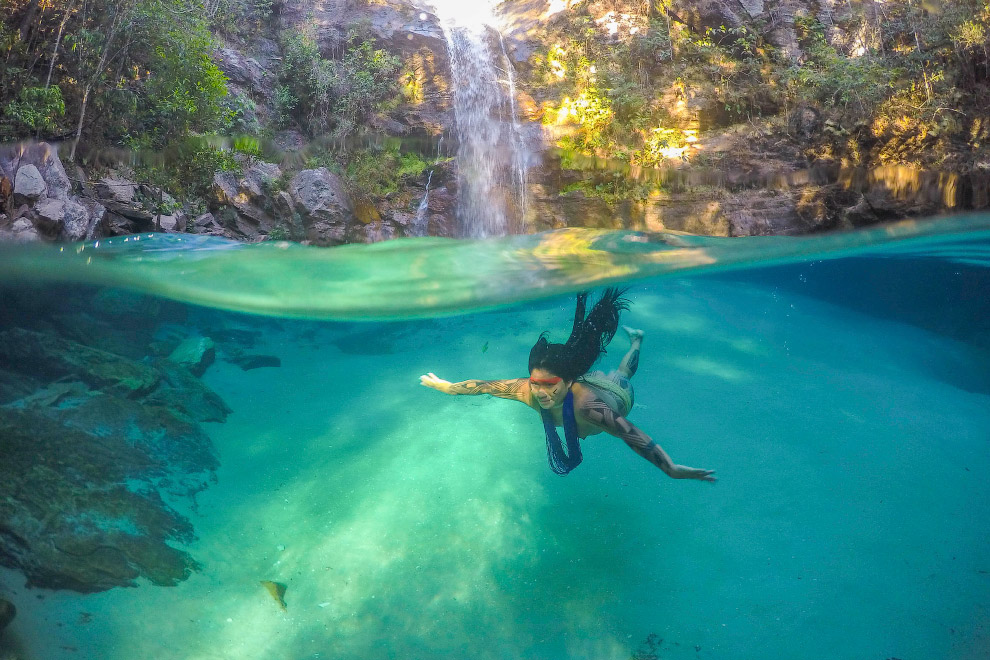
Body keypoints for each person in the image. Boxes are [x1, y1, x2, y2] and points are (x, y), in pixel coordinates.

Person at [419, 288, 716, 482]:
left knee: (623, 373)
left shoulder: (590, 408)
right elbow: (485, 386)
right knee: (614, 373)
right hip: (586, 385)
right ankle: (635, 341)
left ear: (567, 381)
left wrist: (670, 467)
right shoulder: (529, 391)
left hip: (615, 393)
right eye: (536, 384)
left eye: (549, 386)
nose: (541, 393)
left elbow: (632, 435)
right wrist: (448, 387)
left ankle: (637, 340)